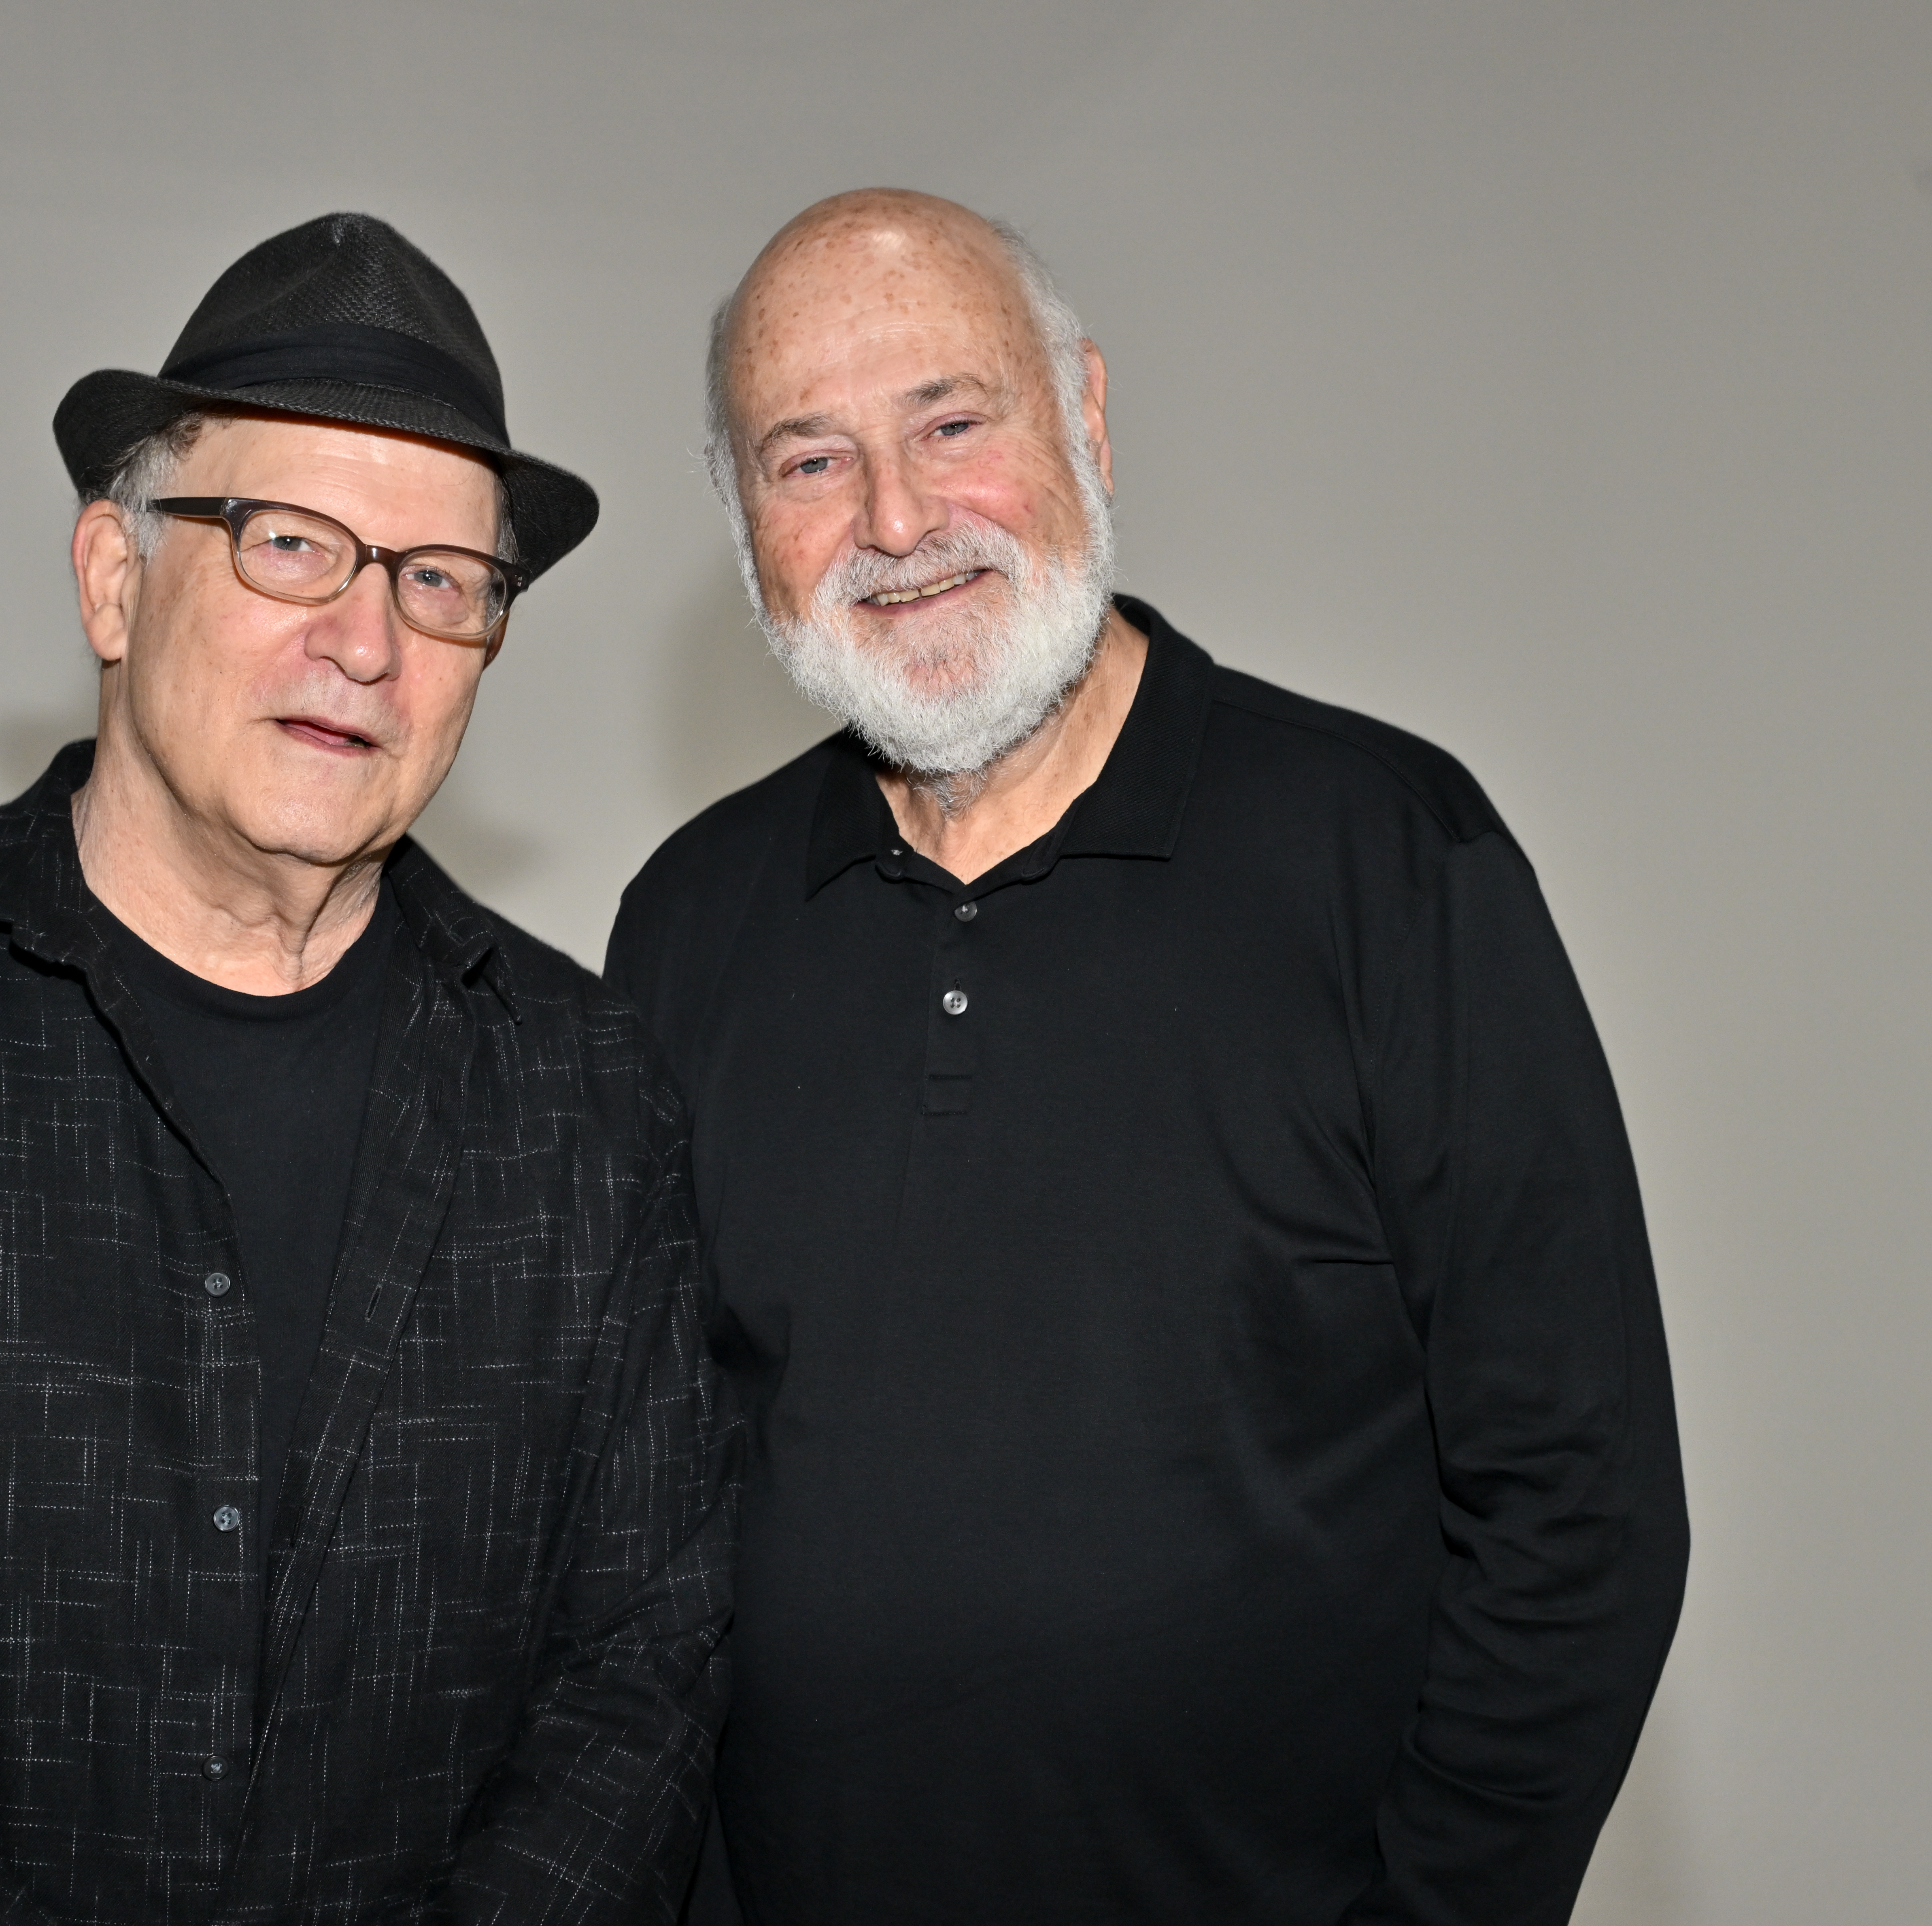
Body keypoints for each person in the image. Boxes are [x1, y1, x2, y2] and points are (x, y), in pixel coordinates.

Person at [0, 212, 732, 1926]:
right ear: (116, 578)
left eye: (440, 581)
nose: (367, 641)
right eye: (289, 543)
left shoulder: (589, 1096)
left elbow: (641, 1677)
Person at [608, 189, 1689, 1926]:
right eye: (808, 461)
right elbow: (645, 1530)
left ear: (1087, 418)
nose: (895, 519)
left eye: (952, 424)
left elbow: (1583, 1506)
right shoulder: (685, 924)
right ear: (741, 521)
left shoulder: (1390, 855)